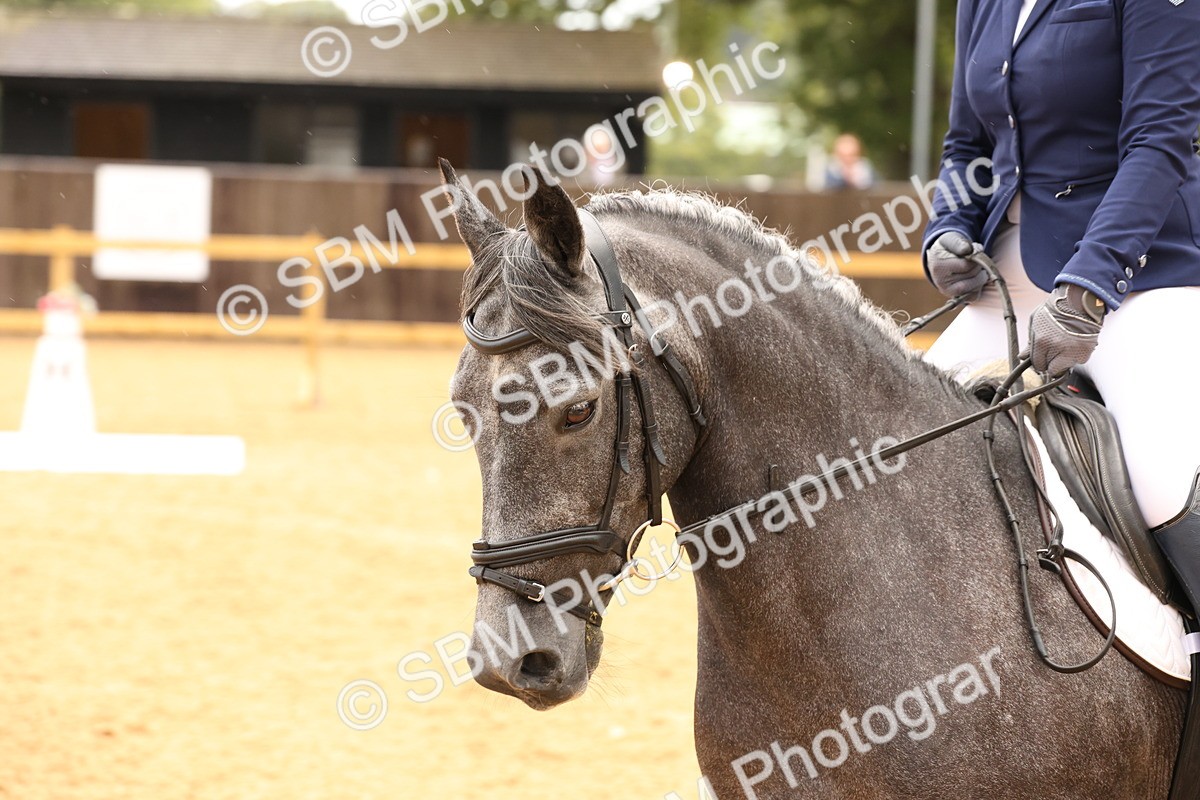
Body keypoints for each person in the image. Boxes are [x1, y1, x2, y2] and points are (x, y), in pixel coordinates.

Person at [921, 0, 1200, 623]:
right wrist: (946, 229)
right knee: (902, 449)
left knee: (1160, 483)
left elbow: (1160, 140)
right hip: (1010, 271)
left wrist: (1088, 288)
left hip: (1140, 271)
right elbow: (969, 142)